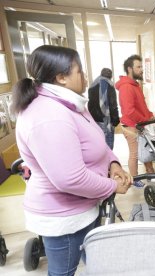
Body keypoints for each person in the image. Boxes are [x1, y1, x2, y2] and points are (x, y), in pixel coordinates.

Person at [11, 45, 132, 275]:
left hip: (85, 208)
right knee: (63, 272)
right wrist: (112, 186)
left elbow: (97, 142)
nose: (85, 77)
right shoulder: (48, 115)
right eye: (80, 71)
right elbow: (70, 179)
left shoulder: (72, 104)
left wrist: (113, 163)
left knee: (97, 262)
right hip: (65, 218)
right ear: (61, 77)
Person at [116, 54, 155, 179]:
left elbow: (141, 106)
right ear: (129, 69)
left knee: (146, 151)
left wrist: (150, 115)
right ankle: (135, 179)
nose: (141, 69)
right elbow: (129, 111)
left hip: (140, 124)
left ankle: (151, 174)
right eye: (138, 67)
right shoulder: (126, 87)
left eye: (141, 66)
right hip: (131, 126)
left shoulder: (135, 85)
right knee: (135, 154)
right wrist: (146, 119)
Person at [87, 68, 120, 149]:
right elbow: (113, 105)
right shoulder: (109, 85)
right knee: (108, 146)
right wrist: (116, 120)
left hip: (95, 120)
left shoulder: (92, 85)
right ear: (111, 76)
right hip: (106, 120)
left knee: (99, 144)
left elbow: (90, 104)